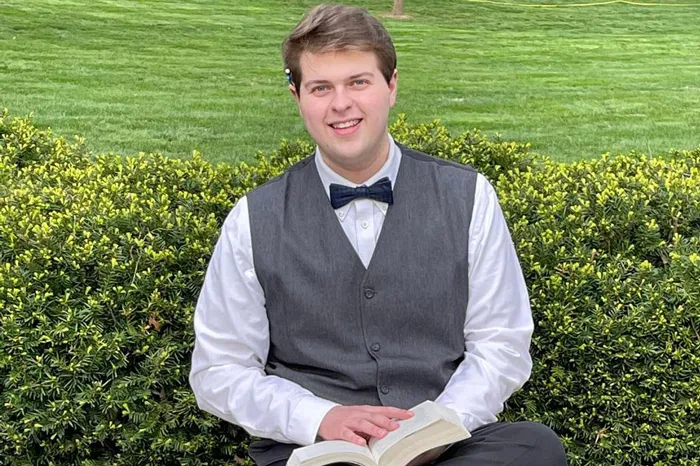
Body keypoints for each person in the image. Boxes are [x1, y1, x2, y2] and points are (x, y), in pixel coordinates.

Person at [189, 4, 567, 466]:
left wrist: (440, 425)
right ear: (297, 96)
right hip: (314, 450)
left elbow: (501, 343)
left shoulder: (468, 196)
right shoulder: (252, 218)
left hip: (447, 448)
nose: (341, 103)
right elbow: (219, 370)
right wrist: (319, 417)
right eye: (321, 87)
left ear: (391, 87)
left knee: (534, 449)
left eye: (358, 82)